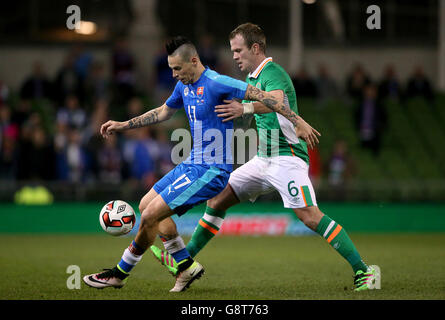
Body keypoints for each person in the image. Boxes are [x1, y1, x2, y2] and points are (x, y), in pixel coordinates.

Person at [151, 23, 378, 292]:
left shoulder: (273, 73)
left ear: (255, 48)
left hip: (287, 158)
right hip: (262, 159)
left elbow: (276, 99)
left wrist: (245, 108)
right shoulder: (250, 79)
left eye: (238, 50)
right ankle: (184, 264)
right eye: (232, 51)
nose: (234, 56)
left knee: (309, 216)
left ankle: (364, 271)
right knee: (218, 199)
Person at [83, 36, 320, 293]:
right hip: (191, 164)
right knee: (144, 206)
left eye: (177, 69)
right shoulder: (183, 86)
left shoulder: (218, 82)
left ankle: (119, 273)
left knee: (150, 216)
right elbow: (163, 112)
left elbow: (269, 98)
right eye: (171, 69)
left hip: (212, 171)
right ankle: (185, 266)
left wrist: (298, 121)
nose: (174, 75)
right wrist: (123, 125)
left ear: (194, 61)